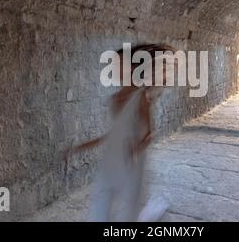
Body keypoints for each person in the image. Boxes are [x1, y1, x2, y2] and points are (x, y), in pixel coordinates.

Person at [65, 44, 175, 222]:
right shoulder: (114, 98)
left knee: (131, 213)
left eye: (121, 64)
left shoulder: (141, 97)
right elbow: (114, 133)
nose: (117, 69)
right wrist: (80, 147)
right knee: (100, 209)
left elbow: (149, 135)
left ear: (133, 69)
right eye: (114, 65)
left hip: (132, 162)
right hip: (111, 159)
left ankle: (154, 214)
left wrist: (136, 150)